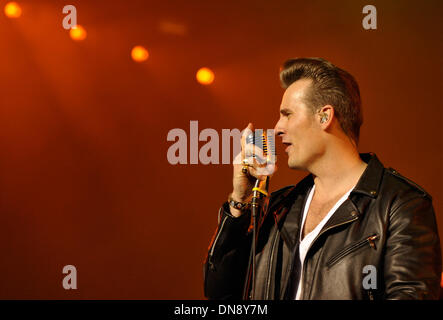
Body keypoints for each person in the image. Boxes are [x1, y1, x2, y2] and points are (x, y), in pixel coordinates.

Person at [203, 57, 442, 300]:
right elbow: (220, 293)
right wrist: (240, 203)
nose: (277, 128)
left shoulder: (400, 204)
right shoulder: (280, 208)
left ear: (324, 116)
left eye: (287, 114)